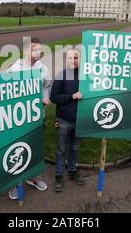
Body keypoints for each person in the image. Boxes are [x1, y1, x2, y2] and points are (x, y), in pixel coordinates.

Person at [6, 36, 51, 199]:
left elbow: (46, 87)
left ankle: (33, 177)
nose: (38, 51)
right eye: (34, 48)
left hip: (37, 117)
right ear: (25, 50)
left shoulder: (43, 68)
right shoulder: (14, 68)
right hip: (17, 119)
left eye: (39, 48)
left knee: (33, 147)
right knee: (15, 150)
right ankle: (13, 182)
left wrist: (46, 98)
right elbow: (6, 91)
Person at [50, 47, 85, 192]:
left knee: (75, 148)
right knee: (61, 149)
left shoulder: (85, 76)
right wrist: (72, 97)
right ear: (66, 59)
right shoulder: (61, 76)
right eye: (70, 58)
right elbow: (54, 97)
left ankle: (72, 171)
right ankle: (59, 175)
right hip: (64, 120)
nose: (73, 60)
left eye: (76, 57)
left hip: (81, 120)